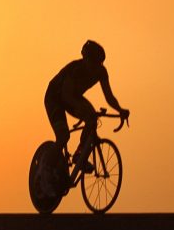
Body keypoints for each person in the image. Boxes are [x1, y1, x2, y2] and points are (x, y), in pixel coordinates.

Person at [44, 40, 130, 172]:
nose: (95, 67)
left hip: (73, 97)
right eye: (93, 62)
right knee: (63, 136)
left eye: (99, 63)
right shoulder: (76, 69)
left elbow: (109, 96)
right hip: (55, 97)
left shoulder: (101, 72)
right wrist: (83, 110)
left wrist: (120, 110)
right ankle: (46, 168)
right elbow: (66, 96)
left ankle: (80, 155)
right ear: (85, 59)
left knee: (92, 120)